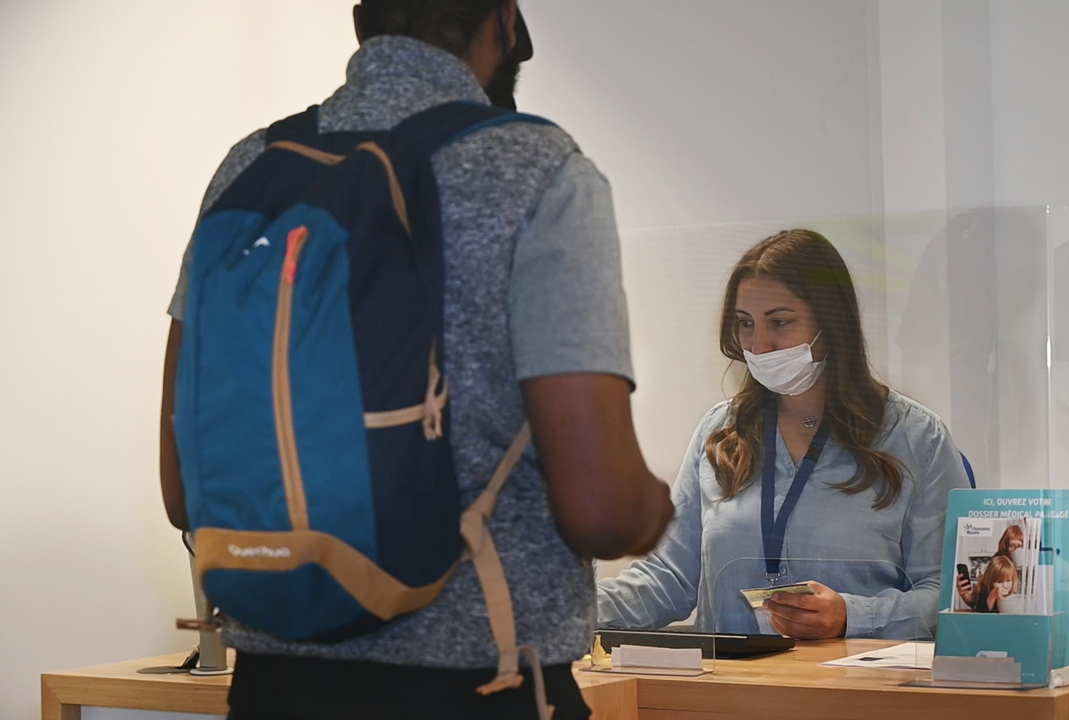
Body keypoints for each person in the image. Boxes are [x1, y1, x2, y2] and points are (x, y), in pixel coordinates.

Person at [157, 1, 674, 718]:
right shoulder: (536, 168)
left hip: (274, 687)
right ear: (506, 23)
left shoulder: (252, 168)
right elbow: (602, 512)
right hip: (479, 684)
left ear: (363, 23)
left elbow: (185, 492)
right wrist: (657, 507)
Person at [597, 229, 971, 640]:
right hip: (727, 694)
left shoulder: (916, 438)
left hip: (859, 694)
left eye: (779, 322)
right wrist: (565, 610)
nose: (759, 344)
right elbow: (669, 578)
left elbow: (951, 596)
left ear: (830, 323)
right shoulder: (721, 433)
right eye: (745, 324)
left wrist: (852, 616)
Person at [955, 523, 1023, 610]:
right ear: (1004, 546)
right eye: (1011, 546)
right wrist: (965, 594)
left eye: (1019, 546)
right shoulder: (995, 566)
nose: (1016, 550)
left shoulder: (1025, 568)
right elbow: (978, 604)